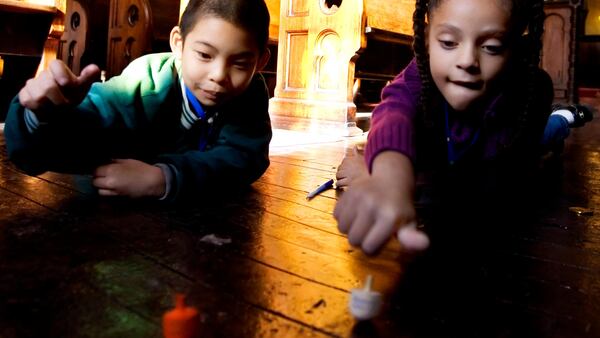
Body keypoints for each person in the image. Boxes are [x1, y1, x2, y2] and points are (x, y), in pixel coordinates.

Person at [334, 0, 558, 255]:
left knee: (551, 133)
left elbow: (486, 188)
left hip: (525, 144)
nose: (467, 61)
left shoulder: (531, 92)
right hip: (454, 152)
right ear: (428, 40)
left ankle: (564, 117)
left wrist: (370, 173)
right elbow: (393, 113)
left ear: (517, 49)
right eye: (449, 43)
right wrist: (388, 176)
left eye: (491, 47)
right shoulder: (419, 73)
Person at [3, 0, 272, 202]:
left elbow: (245, 158)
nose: (219, 76)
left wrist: (163, 179)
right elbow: (44, 151)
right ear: (178, 44)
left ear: (259, 63)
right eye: (204, 55)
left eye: (240, 63)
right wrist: (41, 115)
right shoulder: (142, 86)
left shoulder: (250, 94)